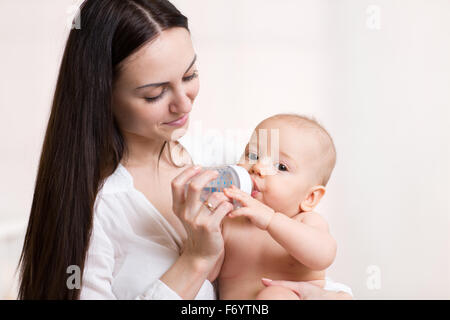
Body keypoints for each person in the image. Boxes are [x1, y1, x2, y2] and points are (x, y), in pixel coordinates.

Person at [17, 0, 352, 300]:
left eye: (190, 75)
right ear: (102, 95)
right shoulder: (98, 209)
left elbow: (301, 264)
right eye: (154, 94)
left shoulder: (229, 163)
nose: (184, 104)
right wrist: (197, 257)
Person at [216, 114, 352, 299]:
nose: (257, 167)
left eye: (280, 167)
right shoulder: (229, 220)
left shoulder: (305, 221)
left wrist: (271, 220)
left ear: (310, 197)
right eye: (253, 155)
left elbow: (324, 255)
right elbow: (206, 275)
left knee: (275, 295)